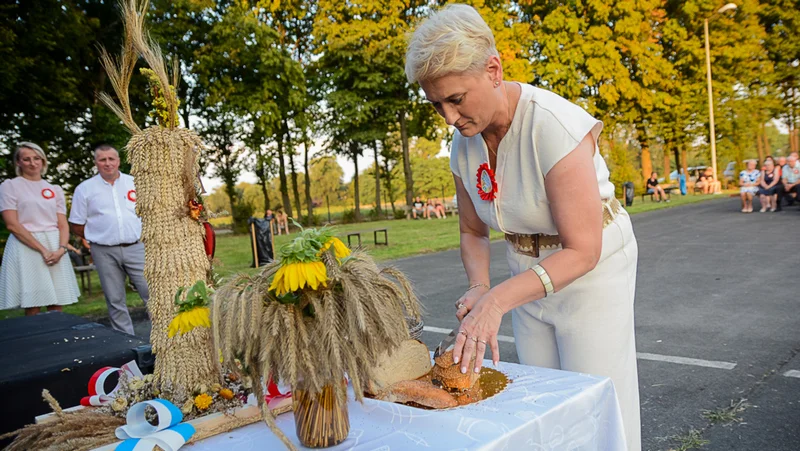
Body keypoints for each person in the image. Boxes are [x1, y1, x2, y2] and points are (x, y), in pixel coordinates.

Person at [405, 5, 640, 450]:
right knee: (543, 404)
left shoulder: (552, 126)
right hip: (525, 272)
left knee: (596, 399)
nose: (449, 118)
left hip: (593, 273)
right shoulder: (463, 143)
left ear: (493, 70)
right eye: (436, 104)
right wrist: (479, 286)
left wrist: (496, 303)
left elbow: (583, 250)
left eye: (456, 99)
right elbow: (472, 231)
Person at [69, 144, 149, 334]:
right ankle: (127, 344)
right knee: (115, 299)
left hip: (137, 247)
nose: (107, 163)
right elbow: (76, 224)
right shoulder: (85, 189)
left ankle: (164, 340)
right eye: (102, 159)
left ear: (118, 161)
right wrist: (96, 237)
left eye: (111, 159)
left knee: (151, 294)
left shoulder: (136, 183)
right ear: (96, 162)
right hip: (104, 250)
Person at [0, 142, 81, 315]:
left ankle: (58, 339)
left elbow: (62, 223)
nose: (32, 162)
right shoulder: (10, 186)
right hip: (26, 246)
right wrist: (42, 250)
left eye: (37, 158)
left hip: (55, 244)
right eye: (26, 159)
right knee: (34, 301)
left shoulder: (54, 189)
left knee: (57, 299)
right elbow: (12, 223)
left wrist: (61, 248)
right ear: (18, 162)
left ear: (43, 161)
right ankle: (35, 339)